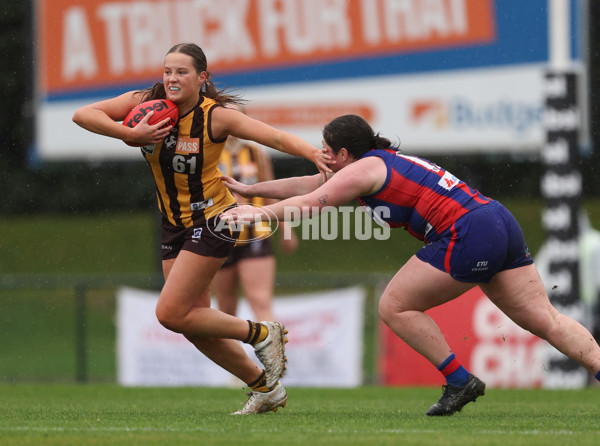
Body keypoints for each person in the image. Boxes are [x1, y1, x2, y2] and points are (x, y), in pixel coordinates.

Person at [220, 114, 600, 416]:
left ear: (345, 153)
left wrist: (255, 214)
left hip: (466, 230)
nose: (323, 158)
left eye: (327, 152)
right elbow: (309, 185)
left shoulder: (362, 170)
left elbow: (309, 204)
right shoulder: (376, 162)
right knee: (546, 320)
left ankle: (459, 381)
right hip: (496, 218)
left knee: (394, 305)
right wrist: (251, 190)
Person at [72, 42, 330, 415]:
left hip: (213, 218)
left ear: (202, 77)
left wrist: (313, 155)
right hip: (173, 224)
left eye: (182, 72)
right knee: (192, 324)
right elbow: (83, 114)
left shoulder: (216, 116)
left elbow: (270, 136)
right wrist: (128, 134)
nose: (172, 78)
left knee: (169, 313)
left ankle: (261, 333)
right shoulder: (147, 101)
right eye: (167, 71)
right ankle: (265, 388)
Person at [213, 110, 299, 322]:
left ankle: (275, 353)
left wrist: (286, 228)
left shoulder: (256, 153)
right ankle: (230, 355)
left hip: (255, 235)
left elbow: (270, 193)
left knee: (260, 302)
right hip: (219, 236)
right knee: (225, 308)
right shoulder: (209, 153)